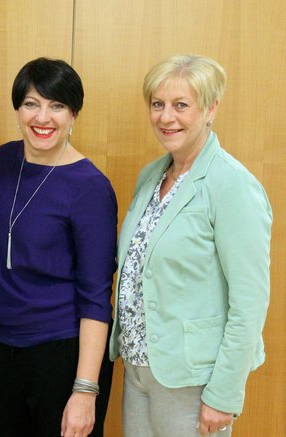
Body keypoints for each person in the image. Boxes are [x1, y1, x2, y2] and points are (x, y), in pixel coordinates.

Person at [109, 54, 272, 437]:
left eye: (181, 105)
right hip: (138, 370)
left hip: (192, 381)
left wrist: (224, 394)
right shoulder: (152, 175)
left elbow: (249, 302)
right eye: (158, 104)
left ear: (211, 108)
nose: (167, 118)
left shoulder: (231, 184)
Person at [0, 57, 117, 437]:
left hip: (62, 353)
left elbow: (96, 296)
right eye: (31, 103)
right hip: (2, 350)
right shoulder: (5, 159)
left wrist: (85, 391)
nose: (43, 117)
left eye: (57, 105)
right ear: (18, 109)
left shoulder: (90, 187)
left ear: (74, 114)